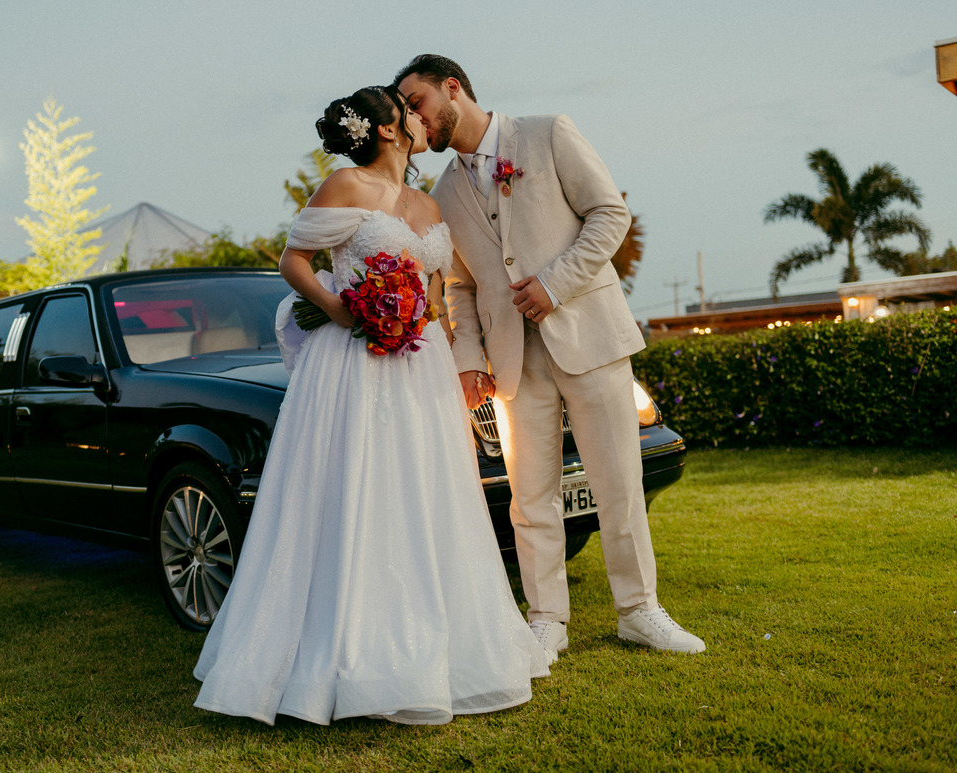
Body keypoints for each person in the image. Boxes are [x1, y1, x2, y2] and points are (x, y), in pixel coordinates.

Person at [193, 85, 549, 726]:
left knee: (423, 489)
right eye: (407, 109)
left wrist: (443, 338)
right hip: (354, 359)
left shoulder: (426, 201)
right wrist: (339, 307)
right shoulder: (345, 185)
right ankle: (343, 644)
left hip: (422, 362)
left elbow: (437, 288)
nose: (418, 116)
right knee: (355, 485)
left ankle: (436, 641)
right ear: (387, 129)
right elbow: (294, 261)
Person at [394, 55, 705, 658]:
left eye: (416, 102)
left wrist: (554, 284)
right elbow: (458, 285)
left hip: (590, 337)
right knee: (530, 496)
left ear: (452, 88)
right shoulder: (443, 193)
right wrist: (468, 355)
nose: (412, 119)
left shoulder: (547, 133)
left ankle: (640, 611)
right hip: (513, 360)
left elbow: (610, 215)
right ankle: (546, 620)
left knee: (618, 483)